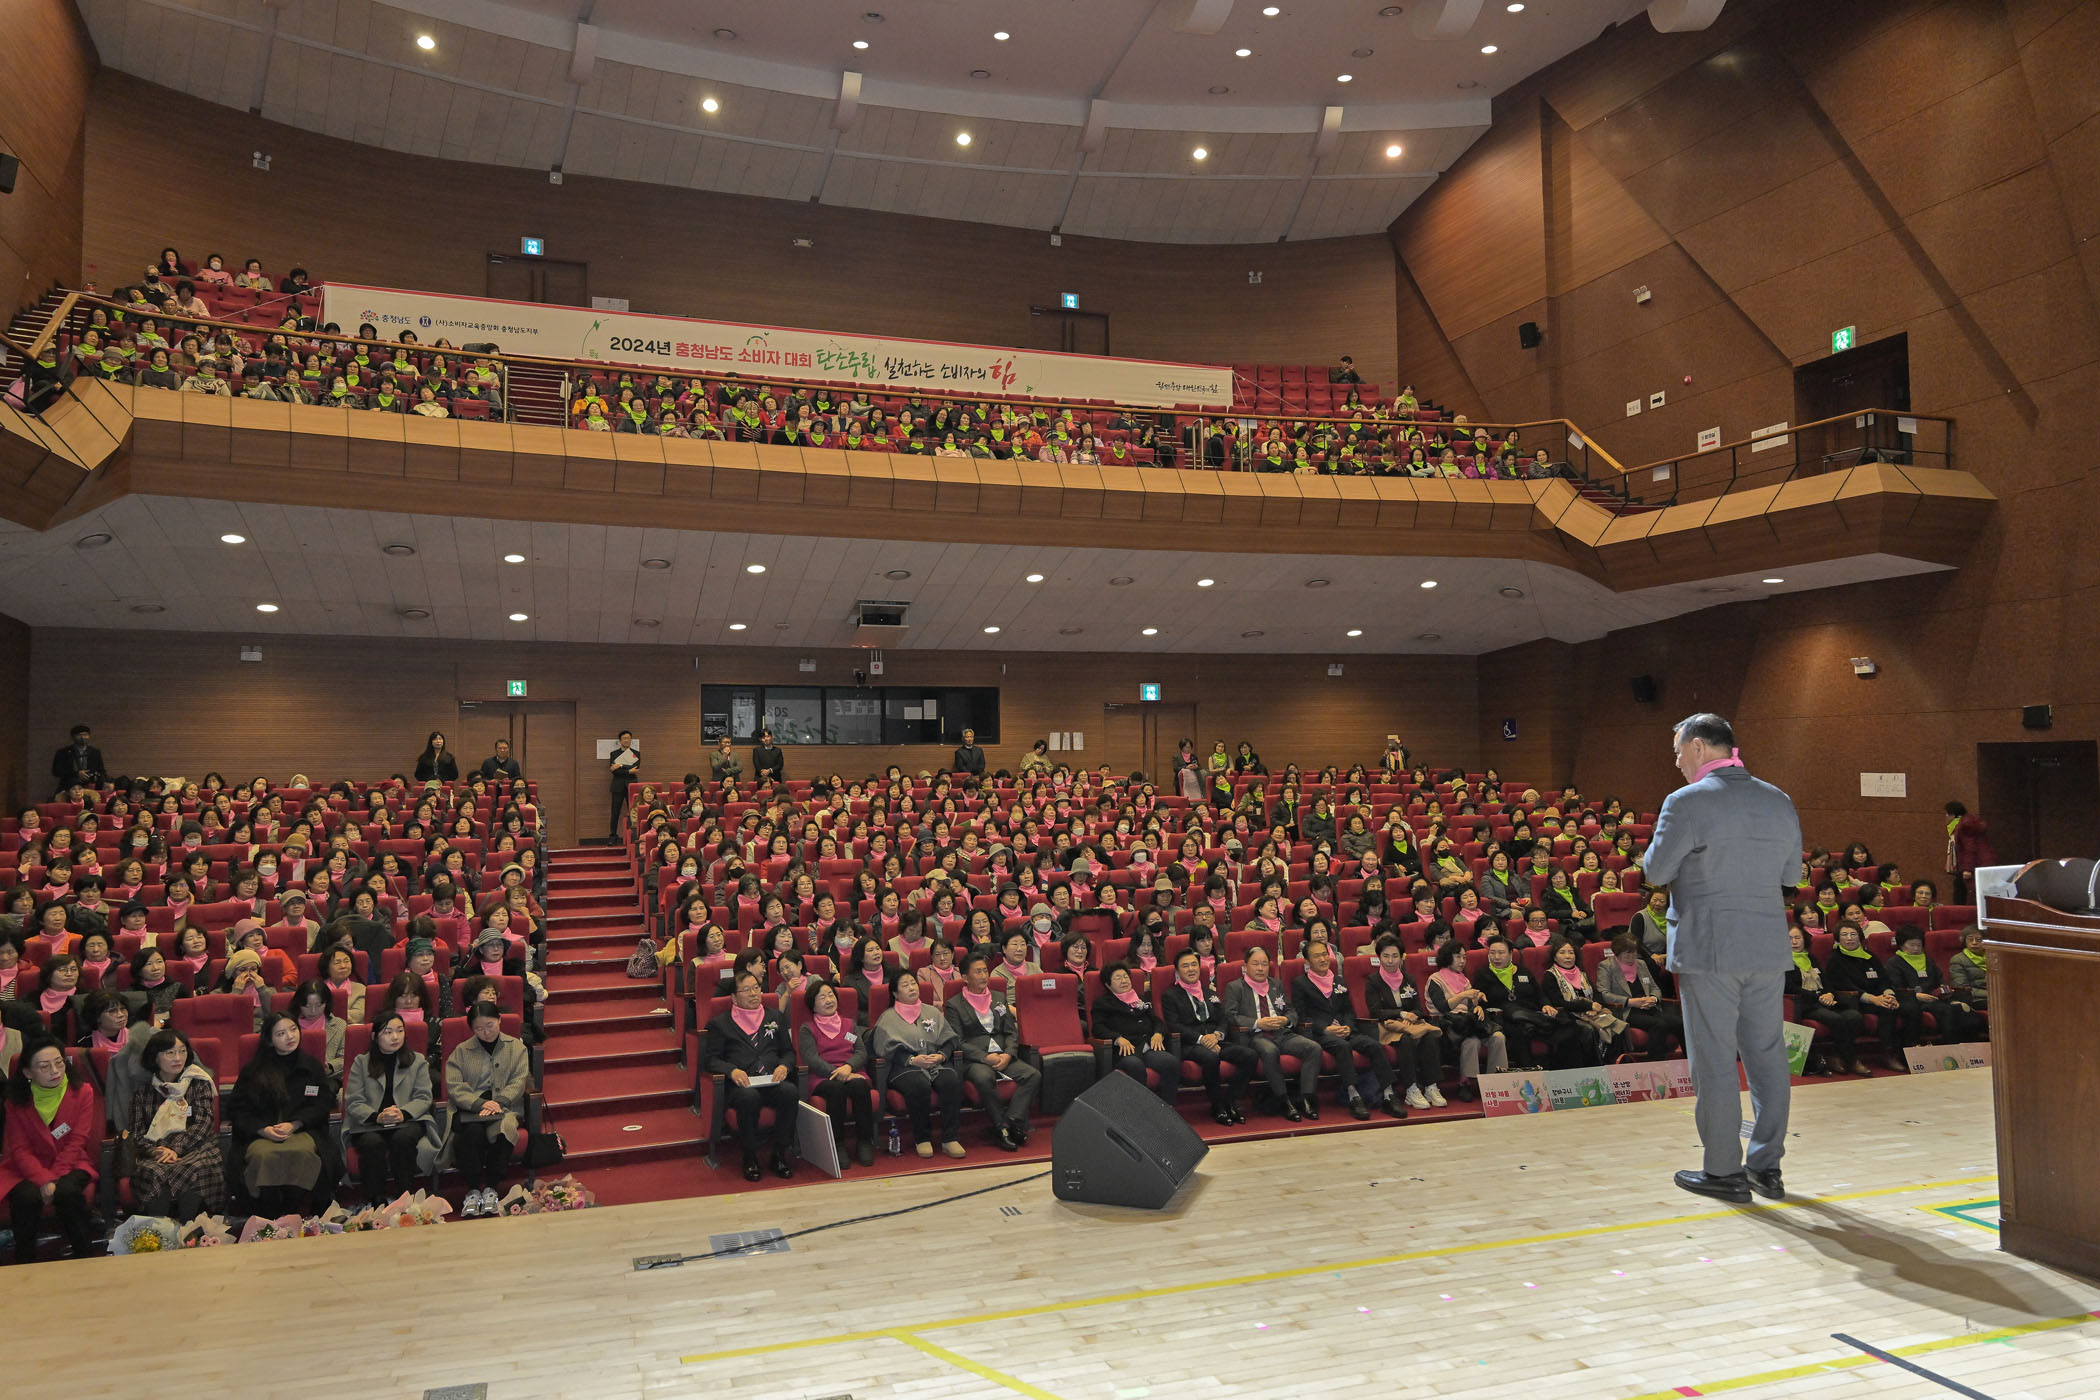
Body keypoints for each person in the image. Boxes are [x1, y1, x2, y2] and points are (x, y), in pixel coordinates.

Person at [1642, 713, 1802, 1205]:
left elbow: (1655, 872)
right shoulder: (1778, 799)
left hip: (1709, 948)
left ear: (1697, 747)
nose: (1676, 763)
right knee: (1768, 1056)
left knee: (1714, 1059)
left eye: (1677, 752)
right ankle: (1766, 1167)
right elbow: (1791, 875)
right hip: (1767, 946)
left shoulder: (1686, 801)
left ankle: (1723, 1171)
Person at [228, 1011, 340, 1215]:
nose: (290, 1036)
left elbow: (321, 1104)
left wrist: (295, 1123)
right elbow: (238, 1110)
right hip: (262, 1134)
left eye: (293, 1029)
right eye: (281, 1033)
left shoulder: (311, 1066)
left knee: (303, 1153)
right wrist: (262, 1129)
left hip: (302, 1131)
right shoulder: (253, 1071)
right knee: (264, 1155)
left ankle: (291, 1210)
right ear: (269, 1040)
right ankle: (269, 1213)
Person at [1, 1038, 101, 1262]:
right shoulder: (15, 1102)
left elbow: (78, 1140)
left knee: (66, 1191)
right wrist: (44, 1179)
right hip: (29, 1165)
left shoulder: (82, 1091)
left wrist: (53, 1178)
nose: (55, 1071)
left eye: (59, 1062)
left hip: (71, 1161)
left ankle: (84, 1256)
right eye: (44, 1066)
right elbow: (19, 1149)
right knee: (25, 1196)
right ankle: (24, 1262)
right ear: (28, 1072)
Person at [705, 970, 799, 1180]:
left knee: (790, 1092)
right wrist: (732, 1070)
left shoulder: (775, 1017)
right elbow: (711, 1060)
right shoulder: (720, 1024)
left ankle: (779, 1154)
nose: (753, 993)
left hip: (771, 1080)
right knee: (749, 1097)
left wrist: (784, 1066)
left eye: (756, 988)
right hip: (741, 1085)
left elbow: (788, 1052)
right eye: (746, 990)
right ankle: (750, 1156)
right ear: (734, 997)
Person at [1293, 938, 1402, 1119]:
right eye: (1317, 956)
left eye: (1324, 954)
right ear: (1307, 961)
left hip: (1345, 1030)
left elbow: (1348, 1010)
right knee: (1342, 1046)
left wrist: (1348, 1027)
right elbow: (1302, 1015)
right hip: (1321, 1034)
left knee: (1374, 1045)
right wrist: (1325, 1029)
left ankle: (1389, 1094)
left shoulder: (1339, 980)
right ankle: (1353, 1096)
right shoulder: (1300, 983)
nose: (1323, 959)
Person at [945, 949, 1042, 1149]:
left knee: (1033, 1075)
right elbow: (958, 1041)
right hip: (976, 1059)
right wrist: (984, 1057)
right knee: (983, 1077)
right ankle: (1001, 1127)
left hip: (1002, 1053)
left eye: (985, 971)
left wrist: (1008, 1054)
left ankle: (1010, 1121)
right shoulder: (954, 1005)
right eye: (977, 972)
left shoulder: (999, 997)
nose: (984, 976)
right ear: (965, 977)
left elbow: (1011, 1032)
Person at [127, 1028, 225, 1221]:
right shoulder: (142, 1093)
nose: (178, 1058)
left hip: (195, 1146)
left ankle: (190, 1230)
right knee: (153, 1171)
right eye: (170, 1053)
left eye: (182, 1051)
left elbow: (203, 1123)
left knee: (194, 1168)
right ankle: (159, 1231)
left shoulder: (199, 1084)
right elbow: (137, 1133)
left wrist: (175, 1149)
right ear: (155, 1057)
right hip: (157, 1150)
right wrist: (156, 1151)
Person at [446, 1001, 530, 1215]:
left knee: (504, 1129)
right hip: (470, 1109)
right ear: (472, 1029)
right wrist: (479, 1103)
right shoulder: (461, 1051)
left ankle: (492, 1186)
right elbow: (454, 1086)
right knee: (471, 1133)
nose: (486, 1032)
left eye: (490, 1025)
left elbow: (519, 1081)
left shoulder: (516, 1047)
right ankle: (473, 1189)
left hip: (505, 1107)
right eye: (479, 1028)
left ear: (499, 1020)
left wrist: (498, 1102)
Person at [872, 968, 966, 1158]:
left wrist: (941, 1056)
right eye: (905, 985)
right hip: (904, 1066)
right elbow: (884, 1049)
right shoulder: (888, 1018)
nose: (911, 988)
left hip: (934, 1061)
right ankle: (922, 1138)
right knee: (919, 1084)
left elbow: (950, 1039)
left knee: (950, 1080)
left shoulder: (932, 1011)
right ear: (895, 993)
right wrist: (912, 1060)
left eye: (913, 983)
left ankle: (950, 1138)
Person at [345, 1011, 435, 1203]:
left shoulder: (417, 1060)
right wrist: (377, 1117)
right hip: (370, 1123)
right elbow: (354, 1100)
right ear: (374, 1036)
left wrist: (403, 1113)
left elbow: (424, 1096)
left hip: (408, 1120)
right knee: (372, 1143)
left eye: (400, 1031)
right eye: (388, 1032)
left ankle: (405, 1197)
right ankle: (375, 1200)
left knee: (403, 1139)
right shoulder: (361, 1063)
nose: (395, 1037)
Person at [1160, 948, 1255, 1124]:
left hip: (1215, 1040)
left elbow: (1223, 1018)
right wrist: (1202, 1039)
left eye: (1194, 965)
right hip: (1189, 1044)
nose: (1191, 969)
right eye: (1185, 966)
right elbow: (1174, 1025)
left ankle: (1231, 1100)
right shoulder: (1170, 995)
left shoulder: (1210, 993)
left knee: (1249, 1056)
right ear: (1177, 971)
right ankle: (1217, 1106)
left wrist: (1217, 1035)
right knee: (1210, 1057)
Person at [797, 980, 878, 1168]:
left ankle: (864, 1141)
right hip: (823, 1077)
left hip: (852, 1072)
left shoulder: (849, 1025)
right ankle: (838, 1144)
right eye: (822, 997)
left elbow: (861, 1052)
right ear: (813, 1005)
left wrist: (848, 1068)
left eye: (831, 995)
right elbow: (812, 1059)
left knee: (860, 1085)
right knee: (836, 1089)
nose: (828, 1000)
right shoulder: (807, 1029)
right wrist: (838, 1073)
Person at [1363, 934, 1447, 1108]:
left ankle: (1431, 1086)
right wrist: (1402, 1014)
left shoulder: (1409, 979)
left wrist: (1412, 1016)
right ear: (1379, 957)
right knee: (1405, 1040)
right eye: (1386, 956)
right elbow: (1376, 1011)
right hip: (1388, 1026)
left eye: (1395, 956)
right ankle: (1411, 1089)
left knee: (1428, 1037)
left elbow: (1418, 1009)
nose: (1390, 961)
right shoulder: (1373, 981)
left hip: (1410, 1025)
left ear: (1401, 957)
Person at [1091, 962, 1180, 1108]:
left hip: (1147, 1047)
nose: (1124, 980)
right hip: (1125, 1051)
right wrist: (1118, 1038)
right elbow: (1098, 1028)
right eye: (1118, 978)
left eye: (1126, 977)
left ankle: (1167, 1107)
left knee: (1170, 1062)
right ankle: (1140, 1109)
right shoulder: (1103, 1003)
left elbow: (1157, 1021)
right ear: (1108, 984)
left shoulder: (1140, 999)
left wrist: (1158, 1034)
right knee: (1135, 1066)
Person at [1786, 924, 1863, 1075]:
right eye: (1789, 938)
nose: (1794, 942)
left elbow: (1826, 981)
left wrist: (1829, 994)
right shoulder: (1782, 961)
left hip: (1824, 1000)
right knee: (1836, 1019)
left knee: (1855, 1016)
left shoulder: (1811, 958)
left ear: (1804, 940)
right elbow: (1789, 987)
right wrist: (1818, 997)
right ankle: (1852, 1059)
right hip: (1804, 1004)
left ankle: (1835, 1055)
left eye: (1797, 937)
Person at [1595, 933, 1684, 1060]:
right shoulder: (1606, 966)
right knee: (1659, 1025)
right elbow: (1604, 994)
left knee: (1680, 1023)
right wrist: (1631, 1001)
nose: (1632, 957)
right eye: (1627, 954)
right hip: (1627, 1010)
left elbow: (1655, 988)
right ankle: (1656, 1064)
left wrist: (1654, 998)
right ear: (1617, 952)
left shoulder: (1641, 964)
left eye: (1634, 953)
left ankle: (1690, 1061)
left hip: (1648, 1007)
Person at [1944, 801, 1995, 904]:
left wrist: (1967, 869)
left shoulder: (1964, 826)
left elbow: (1969, 848)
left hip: (1974, 864)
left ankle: (1959, 912)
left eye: (1946, 814)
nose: (1945, 816)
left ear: (1953, 815)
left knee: (1961, 890)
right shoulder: (1969, 822)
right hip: (1982, 862)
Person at [51, 725, 105, 793]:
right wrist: (76, 774)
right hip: (68, 788)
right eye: (79, 735)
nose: (83, 737)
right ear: (72, 737)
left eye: (85, 735)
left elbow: (101, 771)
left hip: (89, 789)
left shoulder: (95, 752)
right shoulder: (63, 752)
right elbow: (56, 771)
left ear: (89, 736)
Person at [608, 730, 640, 840]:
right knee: (615, 811)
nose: (626, 740)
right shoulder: (614, 754)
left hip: (632, 786)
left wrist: (620, 765)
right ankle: (612, 836)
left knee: (634, 811)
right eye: (624, 738)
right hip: (617, 786)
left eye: (628, 738)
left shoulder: (636, 753)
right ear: (620, 741)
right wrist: (628, 770)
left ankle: (634, 835)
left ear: (631, 740)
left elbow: (635, 768)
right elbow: (614, 772)